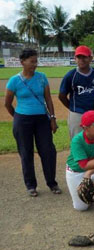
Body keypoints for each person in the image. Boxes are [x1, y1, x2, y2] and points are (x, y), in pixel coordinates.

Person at [4, 48, 61, 197]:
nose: (35, 64)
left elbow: (48, 99)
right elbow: (7, 103)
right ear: (22, 62)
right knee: (26, 152)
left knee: (48, 151)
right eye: (31, 61)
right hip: (22, 120)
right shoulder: (14, 81)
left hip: (42, 119)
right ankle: (31, 185)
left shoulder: (42, 77)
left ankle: (52, 183)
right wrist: (17, 116)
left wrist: (53, 118)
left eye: (36, 61)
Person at [59, 45, 94, 140]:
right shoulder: (71, 75)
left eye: (84, 57)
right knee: (78, 141)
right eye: (78, 57)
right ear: (75, 59)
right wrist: (72, 107)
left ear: (90, 58)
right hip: (78, 114)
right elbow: (62, 95)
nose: (81, 60)